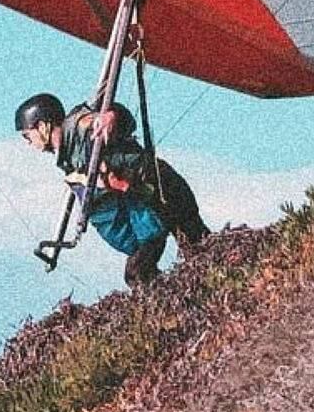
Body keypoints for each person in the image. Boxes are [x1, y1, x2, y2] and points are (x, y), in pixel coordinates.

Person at [15, 92, 210, 286]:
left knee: (196, 249)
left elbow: (116, 118)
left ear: (42, 126)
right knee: (144, 269)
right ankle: (182, 300)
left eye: (27, 135)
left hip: (162, 187)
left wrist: (111, 116)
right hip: (144, 200)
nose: (28, 142)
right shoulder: (68, 159)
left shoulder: (80, 125)